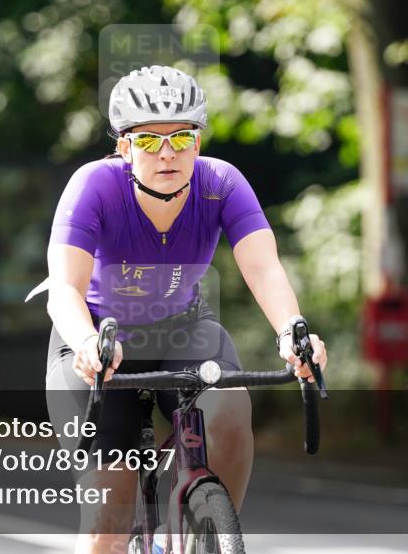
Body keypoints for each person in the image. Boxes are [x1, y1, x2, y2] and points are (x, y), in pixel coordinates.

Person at [42, 65, 328, 554]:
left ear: (198, 140)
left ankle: (208, 533)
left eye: (182, 136)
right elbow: (63, 289)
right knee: (107, 519)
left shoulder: (221, 183)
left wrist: (291, 332)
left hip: (183, 330)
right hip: (96, 339)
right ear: (125, 147)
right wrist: (87, 344)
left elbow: (263, 269)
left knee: (233, 408)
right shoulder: (93, 186)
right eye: (149, 142)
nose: (168, 152)